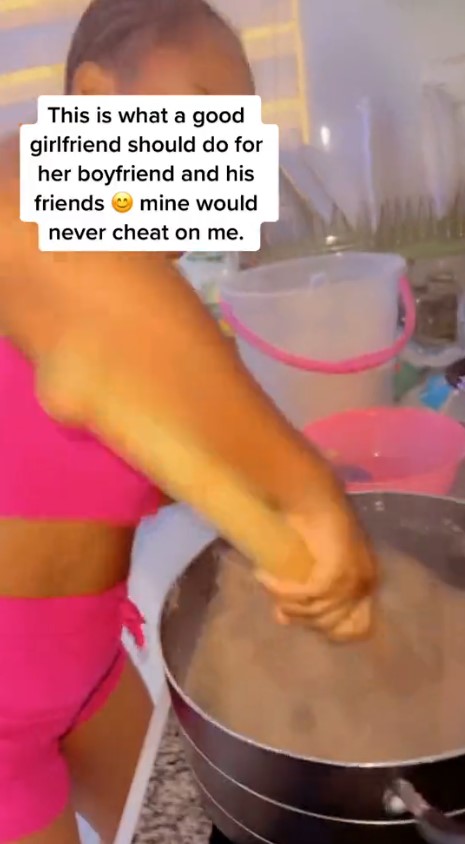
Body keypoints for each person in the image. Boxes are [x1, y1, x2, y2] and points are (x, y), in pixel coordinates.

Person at [0, 1, 377, 842]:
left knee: (175, 822)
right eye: (203, 114)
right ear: (92, 101)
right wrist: (307, 491)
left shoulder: (158, 320)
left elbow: (156, 461)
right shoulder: (19, 203)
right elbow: (38, 231)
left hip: (91, 671)